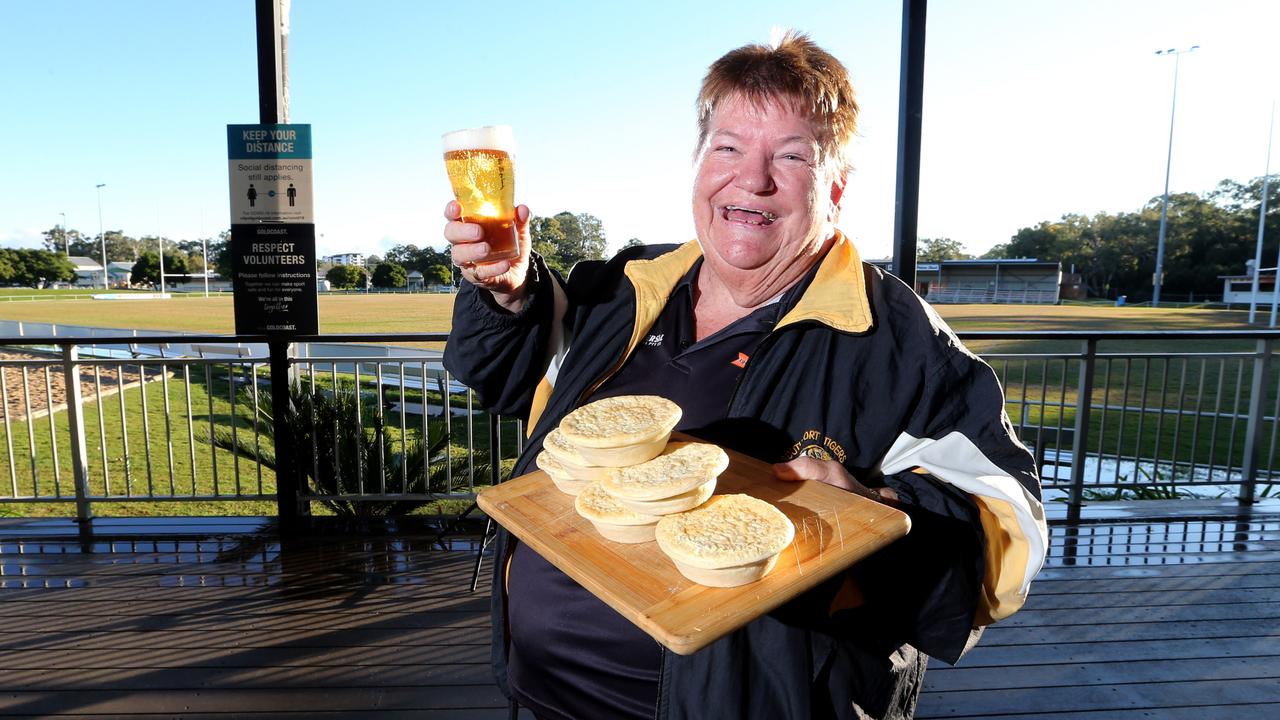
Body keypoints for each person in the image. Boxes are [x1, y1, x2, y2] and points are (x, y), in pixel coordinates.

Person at [443, 31, 1047, 720]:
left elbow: (1014, 542)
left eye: (791, 156)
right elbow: (503, 376)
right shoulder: (619, 293)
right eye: (728, 147)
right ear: (698, 162)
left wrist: (873, 513)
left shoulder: (897, 343)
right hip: (539, 696)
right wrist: (508, 290)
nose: (752, 179)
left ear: (837, 189)